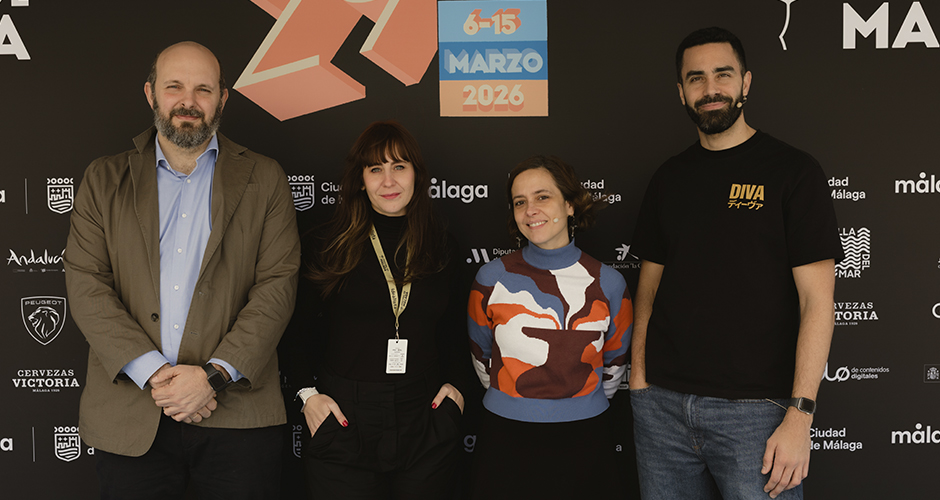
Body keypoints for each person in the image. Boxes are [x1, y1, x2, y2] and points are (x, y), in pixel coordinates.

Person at [63, 41, 300, 498]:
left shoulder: (265, 177)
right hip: (131, 414)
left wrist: (212, 377)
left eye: (203, 90)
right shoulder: (103, 179)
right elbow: (87, 285)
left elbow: (277, 287)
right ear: (150, 93)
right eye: (174, 87)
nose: (188, 102)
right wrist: (158, 375)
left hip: (237, 415)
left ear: (222, 98)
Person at [628, 27, 844, 500]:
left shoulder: (793, 172)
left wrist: (800, 415)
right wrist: (639, 381)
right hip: (662, 407)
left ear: (746, 82)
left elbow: (817, 302)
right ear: (681, 91)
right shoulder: (668, 178)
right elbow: (648, 288)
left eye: (722, 75)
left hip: (758, 413)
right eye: (696, 78)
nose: (710, 89)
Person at [283, 121, 467, 499]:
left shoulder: (441, 246)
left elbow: (454, 332)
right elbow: (294, 330)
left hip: (424, 417)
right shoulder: (327, 243)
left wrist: (456, 396)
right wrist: (307, 395)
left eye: (399, 166)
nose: (388, 181)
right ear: (360, 180)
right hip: (344, 418)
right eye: (375, 169)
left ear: (416, 174)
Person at [467, 155, 633, 498]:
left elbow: (614, 363)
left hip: (584, 437)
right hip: (505, 435)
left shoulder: (609, 282)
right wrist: (517, 402)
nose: (530, 210)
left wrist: (574, 404)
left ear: (570, 205)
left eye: (542, 197)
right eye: (520, 202)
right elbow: (482, 355)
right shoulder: (490, 278)